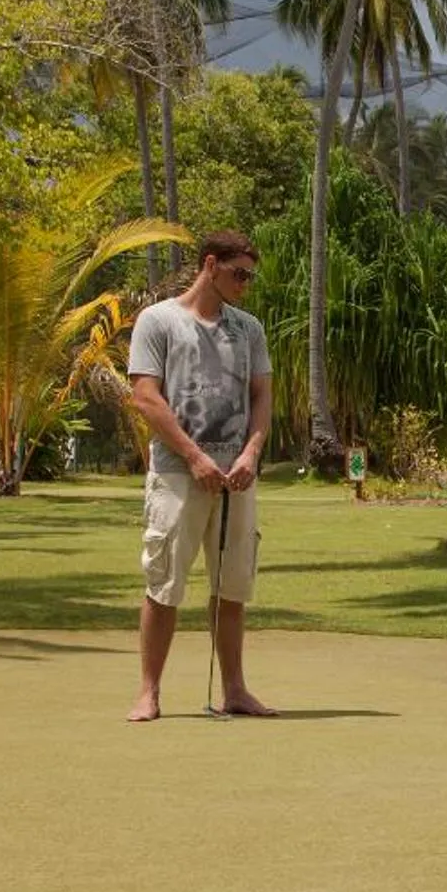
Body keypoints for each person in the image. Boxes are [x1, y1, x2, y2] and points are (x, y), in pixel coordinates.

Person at [125, 231, 275, 722]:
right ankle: (149, 692)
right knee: (164, 583)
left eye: (251, 276)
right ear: (210, 265)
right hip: (177, 473)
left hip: (237, 478)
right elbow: (145, 396)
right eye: (239, 274)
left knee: (233, 587)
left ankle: (235, 689)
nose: (245, 284)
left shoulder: (249, 330)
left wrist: (251, 452)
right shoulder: (158, 321)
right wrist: (193, 457)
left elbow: (261, 397)